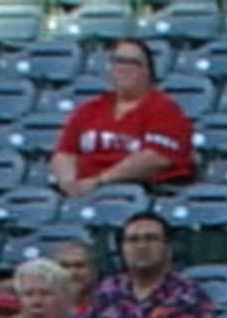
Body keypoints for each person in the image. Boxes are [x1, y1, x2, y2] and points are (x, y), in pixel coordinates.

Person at [47, 39, 193, 199]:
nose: (125, 68)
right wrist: (69, 184)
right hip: (85, 194)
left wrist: (100, 180)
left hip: (141, 194)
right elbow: (64, 153)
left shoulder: (164, 108)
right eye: (119, 61)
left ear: (148, 71)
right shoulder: (89, 109)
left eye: (134, 63)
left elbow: (155, 158)